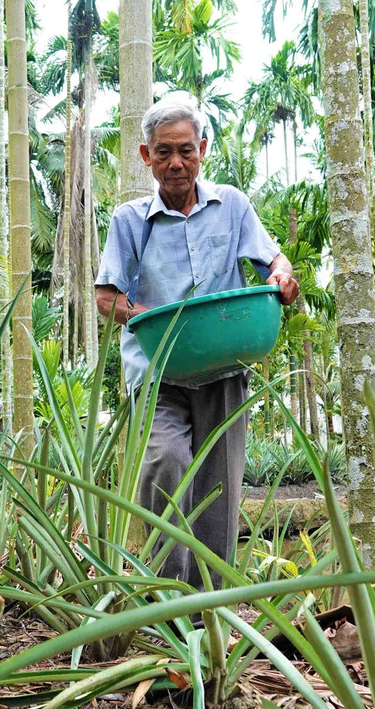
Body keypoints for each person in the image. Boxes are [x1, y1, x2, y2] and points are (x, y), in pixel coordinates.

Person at [94, 98, 299, 591]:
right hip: (158, 372)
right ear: (146, 156)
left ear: (203, 150)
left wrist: (282, 277)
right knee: (166, 460)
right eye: (163, 152)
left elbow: (274, 262)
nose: (175, 163)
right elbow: (106, 297)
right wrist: (146, 318)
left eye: (185, 150)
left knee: (218, 489)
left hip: (224, 366)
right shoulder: (129, 220)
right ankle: (169, 597)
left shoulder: (232, 206)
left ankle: (210, 608)